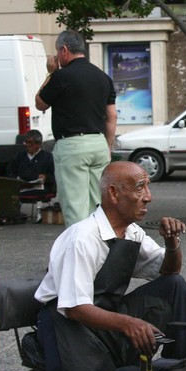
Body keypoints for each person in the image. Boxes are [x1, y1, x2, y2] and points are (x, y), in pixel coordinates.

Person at [34, 162, 186, 371]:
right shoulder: (82, 238)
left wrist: (171, 242)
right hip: (70, 326)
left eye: (148, 187)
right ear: (114, 193)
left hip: (109, 314)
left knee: (173, 285)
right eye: (139, 188)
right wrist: (130, 324)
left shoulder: (132, 232)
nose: (148, 197)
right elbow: (75, 308)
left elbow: (169, 271)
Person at [36, 30, 117, 227]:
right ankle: (102, 251)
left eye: (57, 51)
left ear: (64, 50)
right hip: (98, 144)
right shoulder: (103, 77)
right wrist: (107, 146)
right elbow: (111, 116)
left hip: (72, 145)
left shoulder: (61, 77)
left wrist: (51, 72)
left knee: (75, 209)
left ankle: (80, 254)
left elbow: (40, 103)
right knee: (100, 207)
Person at [7, 129, 55, 194]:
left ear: (39, 144)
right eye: (26, 142)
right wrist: (16, 179)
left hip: (40, 189)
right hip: (22, 187)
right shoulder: (19, 156)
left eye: (30, 143)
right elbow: (10, 172)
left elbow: (53, 175)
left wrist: (45, 177)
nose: (27, 145)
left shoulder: (48, 157)